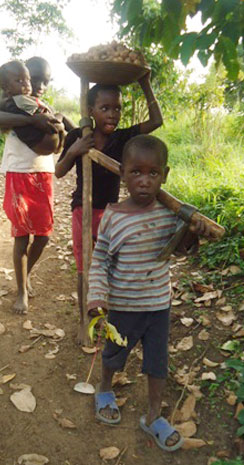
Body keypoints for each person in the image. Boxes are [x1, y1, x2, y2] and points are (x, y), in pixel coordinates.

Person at [87, 134, 212, 452]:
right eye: (136, 172)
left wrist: (192, 231)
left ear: (165, 175)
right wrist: (97, 299)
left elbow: (179, 250)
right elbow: (100, 260)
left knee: (157, 363)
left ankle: (153, 415)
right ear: (123, 174)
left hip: (157, 306)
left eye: (153, 173)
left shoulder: (171, 213)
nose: (144, 181)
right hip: (124, 307)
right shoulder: (113, 216)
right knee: (114, 355)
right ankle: (104, 389)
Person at [55, 70, 163, 343]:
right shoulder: (78, 136)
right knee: (84, 268)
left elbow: (156, 121)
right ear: (91, 110)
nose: (112, 114)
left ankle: (107, 316)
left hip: (113, 214)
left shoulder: (123, 138)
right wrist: (75, 149)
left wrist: (145, 83)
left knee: (109, 266)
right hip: (84, 210)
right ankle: (84, 320)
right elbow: (58, 171)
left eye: (117, 108)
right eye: (105, 108)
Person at [0, 57, 74, 315]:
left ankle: (26, 274)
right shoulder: (10, 103)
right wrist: (31, 121)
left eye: (42, 81)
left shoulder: (40, 105)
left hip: (43, 175)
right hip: (19, 173)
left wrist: (60, 127)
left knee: (44, 235)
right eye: (30, 79)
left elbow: (57, 141)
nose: (36, 85)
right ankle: (21, 291)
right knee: (21, 236)